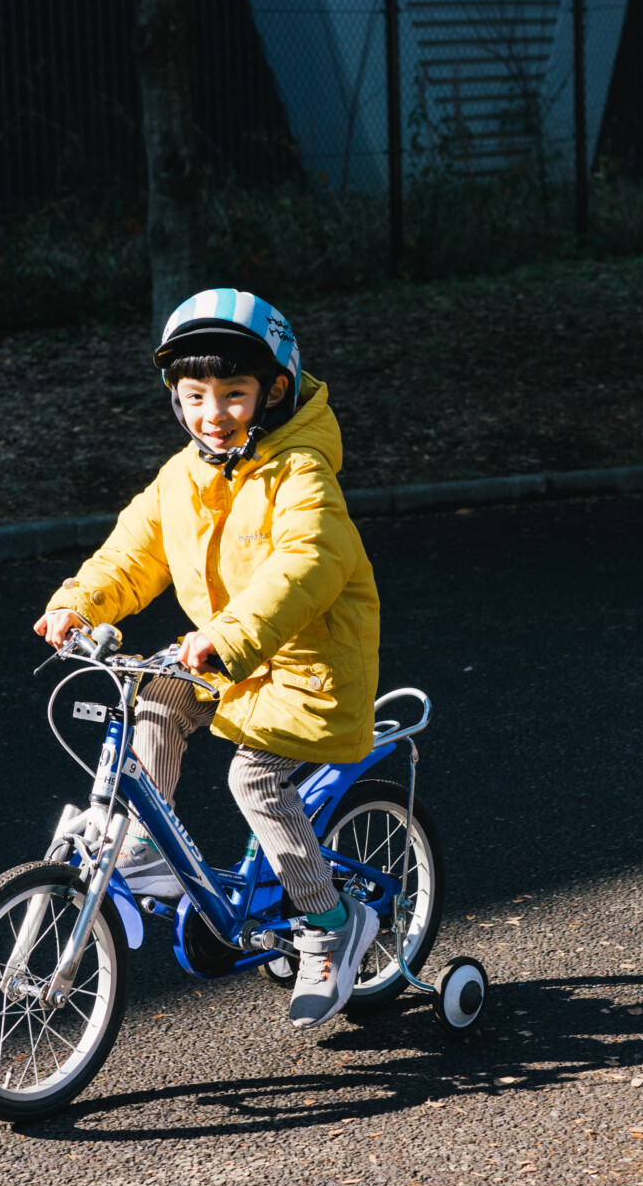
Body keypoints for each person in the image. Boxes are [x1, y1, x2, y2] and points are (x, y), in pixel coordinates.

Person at [33, 289, 382, 1029]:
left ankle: (331, 922)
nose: (211, 413)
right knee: (154, 698)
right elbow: (132, 553)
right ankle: (140, 851)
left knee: (254, 779)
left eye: (233, 393)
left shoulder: (304, 476)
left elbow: (303, 569)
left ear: (273, 392)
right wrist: (78, 603)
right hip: (229, 656)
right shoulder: (182, 476)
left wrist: (227, 635)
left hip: (310, 667)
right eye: (194, 395)